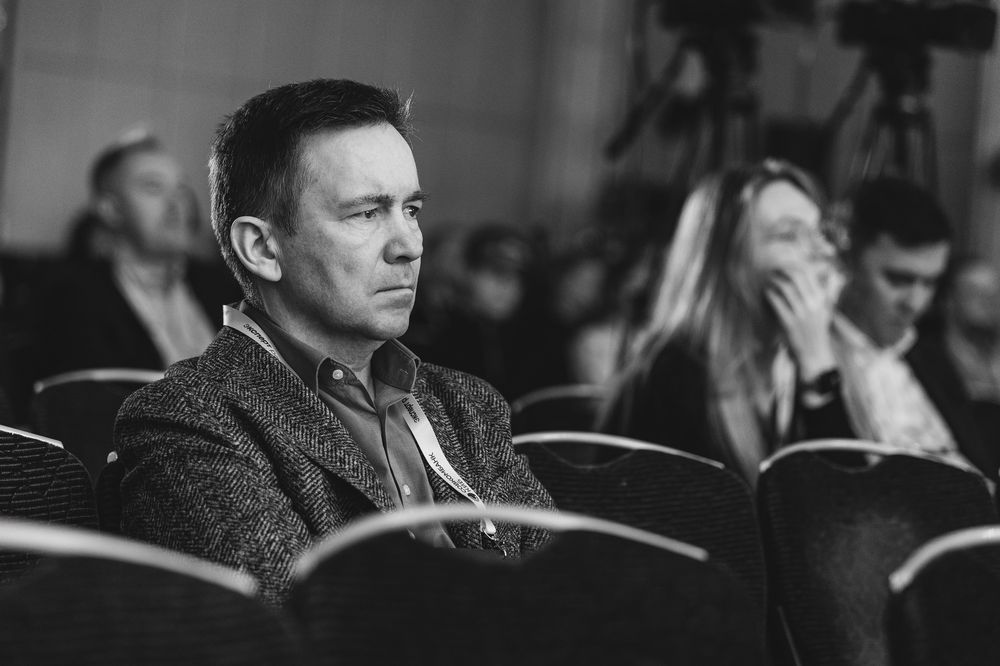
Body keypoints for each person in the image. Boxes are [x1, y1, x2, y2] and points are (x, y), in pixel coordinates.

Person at [114, 79, 555, 605]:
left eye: (411, 210)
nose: (410, 246)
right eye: (366, 213)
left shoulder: (470, 407)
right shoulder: (187, 422)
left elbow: (572, 596)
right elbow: (300, 627)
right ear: (262, 248)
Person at [600, 159, 854, 482]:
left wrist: (818, 369)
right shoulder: (672, 375)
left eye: (819, 232)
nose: (823, 251)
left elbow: (852, 502)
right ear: (727, 265)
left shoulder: (803, 363)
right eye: (789, 235)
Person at [34, 133, 239, 378]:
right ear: (111, 209)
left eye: (182, 188)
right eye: (153, 186)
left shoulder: (225, 287)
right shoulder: (74, 300)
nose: (178, 204)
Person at [833, 176, 997, 478]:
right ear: (849, 261)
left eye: (930, 282)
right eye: (898, 280)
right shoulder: (821, 361)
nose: (916, 302)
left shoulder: (928, 354)